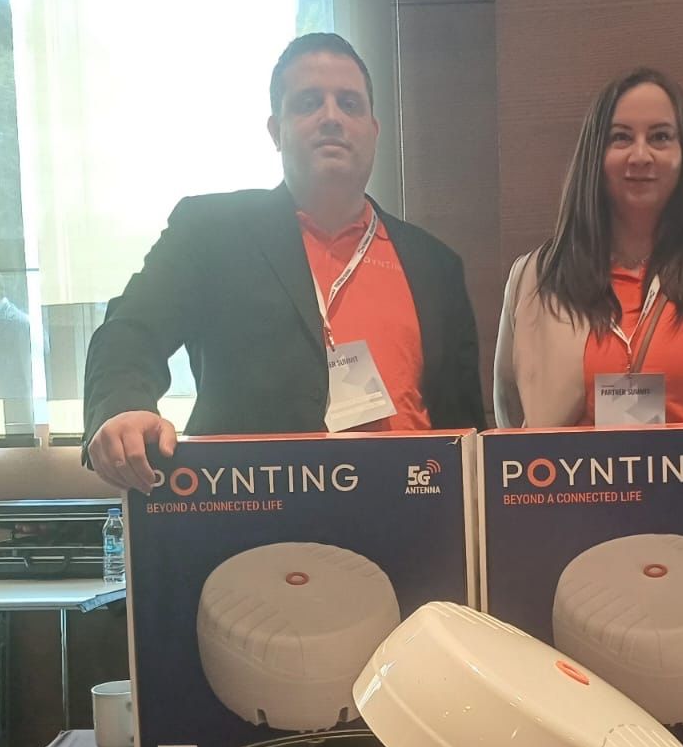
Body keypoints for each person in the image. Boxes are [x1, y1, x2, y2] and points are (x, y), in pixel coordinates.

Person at [83, 32, 485, 493]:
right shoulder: (210, 232)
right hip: (258, 517)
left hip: (413, 515)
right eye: (309, 103)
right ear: (276, 131)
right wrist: (122, 408)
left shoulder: (436, 265)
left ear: (374, 130)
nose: (331, 117)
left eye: (349, 104)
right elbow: (129, 330)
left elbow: (465, 430)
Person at [493, 67, 683, 427]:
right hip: (579, 468)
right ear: (595, 153)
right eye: (621, 138)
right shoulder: (536, 278)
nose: (641, 155)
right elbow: (512, 415)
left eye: (660, 137)